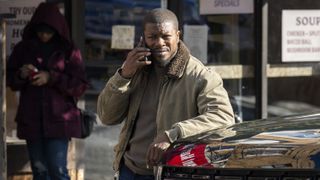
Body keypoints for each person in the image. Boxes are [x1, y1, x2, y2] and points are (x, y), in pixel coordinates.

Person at [97, 8, 235, 180]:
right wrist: (123, 75)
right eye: (152, 37)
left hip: (172, 172)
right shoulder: (136, 70)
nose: (159, 43)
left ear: (178, 35)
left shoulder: (200, 76)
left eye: (166, 36)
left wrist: (173, 134)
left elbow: (223, 117)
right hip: (129, 170)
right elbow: (107, 116)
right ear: (143, 38)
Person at [6, 2, 88, 180]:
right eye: (40, 31)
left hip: (59, 120)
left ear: (57, 30)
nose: (43, 35)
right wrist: (22, 74)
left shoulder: (68, 50)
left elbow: (79, 85)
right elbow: (10, 79)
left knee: (57, 170)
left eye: (48, 31)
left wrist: (51, 78)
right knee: (39, 171)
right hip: (32, 119)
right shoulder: (23, 49)